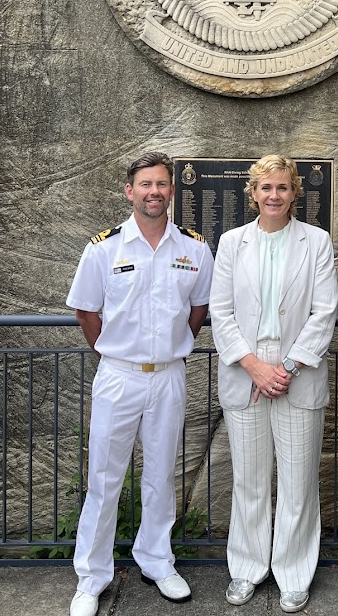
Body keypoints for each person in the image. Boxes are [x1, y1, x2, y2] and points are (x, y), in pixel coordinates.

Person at [66, 152, 214, 616]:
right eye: (145, 184)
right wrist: (112, 355)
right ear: (130, 191)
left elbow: (200, 308)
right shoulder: (104, 248)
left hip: (168, 377)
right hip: (118, 377)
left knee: (161, 475)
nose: (154, 191)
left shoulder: (194, 248)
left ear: (172, 190)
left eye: (162, 184)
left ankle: (157, 561)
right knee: (103, 479)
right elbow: (86, 311)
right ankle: (92, 578)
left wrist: (175, 347)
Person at [210, 155, 338, 614]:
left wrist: (286, 367)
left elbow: (324, 311)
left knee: (299, 482)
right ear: (253, 193)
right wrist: (254, 367)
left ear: (294, 192)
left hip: (296, 372)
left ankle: (293, 573)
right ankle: (247, 568)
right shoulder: (231, 243)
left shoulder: (316, 242)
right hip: (246, 371)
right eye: (266, 187)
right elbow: (220, 311)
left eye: (282, 187)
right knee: (249, 480)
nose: (274, 195)